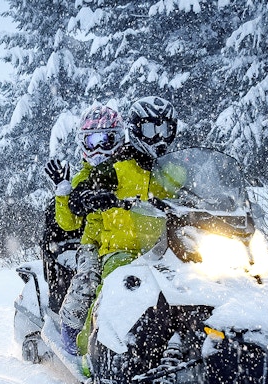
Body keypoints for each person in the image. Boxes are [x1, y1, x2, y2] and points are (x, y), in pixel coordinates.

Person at [54, 97, 181, 360]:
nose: (158, 138)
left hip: (163, 247)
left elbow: (193, 192)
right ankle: (88, 348)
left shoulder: (173, 169)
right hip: (112, 246)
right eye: (149, 131)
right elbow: (78, 204)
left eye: (164, 131)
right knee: (93, 284)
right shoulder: (112, 169)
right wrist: (76, 195)